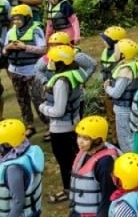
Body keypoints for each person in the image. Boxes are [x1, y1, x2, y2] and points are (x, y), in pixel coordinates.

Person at [38, 44, 87, 205]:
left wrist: (43, 107)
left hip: (61, 128)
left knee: (65, 160)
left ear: (60, 62)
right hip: (73, 122)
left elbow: (58, 111)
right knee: (73, 157)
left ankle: (68, 190)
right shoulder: (75, 73)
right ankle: (78, 184)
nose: (49, 62)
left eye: (52, 59)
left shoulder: (60, 82)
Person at [34, 32, 97, 142]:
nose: (53, 48)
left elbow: (92, 64)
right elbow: (37, 69)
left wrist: (83, 79)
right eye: (51, 45)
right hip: (57, 92)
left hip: (74, 94)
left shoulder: (76, 55)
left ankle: (79, 140)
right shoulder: (48, 58)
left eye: (57, 45)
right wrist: (45, 82)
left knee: (75, 118)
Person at [2, 5, 48, 139]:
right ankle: (30, 125)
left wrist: (25, 47)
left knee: (37, 98)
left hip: (32, 71)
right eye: (14, 19)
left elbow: (43, 49)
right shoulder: (11, 32)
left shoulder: (36, 30)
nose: (16, 21)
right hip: (15, 71)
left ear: (27, 18)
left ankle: (49, 126)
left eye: (19, 19)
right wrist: (8, 47)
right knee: (22, 100)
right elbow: (4, 51)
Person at [69, 116, 120, 217]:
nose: (80, 142)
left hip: (94, 213)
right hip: (79, 210)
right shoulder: (86, 151)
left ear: (97, 140)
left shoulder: (104, 162)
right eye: (79, 136)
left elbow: (107, 195)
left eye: (85, 138)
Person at [0, 119, 45, 217]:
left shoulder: (13, 168)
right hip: (34, 210)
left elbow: (18, 202)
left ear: (8, 144)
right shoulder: (26, 150)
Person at [104, 39, 138, 153]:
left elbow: (116, 93)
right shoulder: (135, 64)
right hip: (131, 108)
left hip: (123, 110)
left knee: (125, 140)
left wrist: (107, 88)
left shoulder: (125, 70)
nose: (115, 53)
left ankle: (131, 164)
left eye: (117, 51)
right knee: (131, 137)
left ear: (123, 54)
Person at [100, 26, 128, 148]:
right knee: (111, 116)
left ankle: (122, 141)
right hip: (108, 88)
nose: (103, 42)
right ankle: (116, 140)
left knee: (118, 116)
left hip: (118, 90)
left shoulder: (123, 54)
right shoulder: (106, 51)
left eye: (106, 39)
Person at [0, 0, 11, 122]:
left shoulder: (5, 4)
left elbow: (11, 21)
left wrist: (8, 37)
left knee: (11, 72)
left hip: (5, 44)